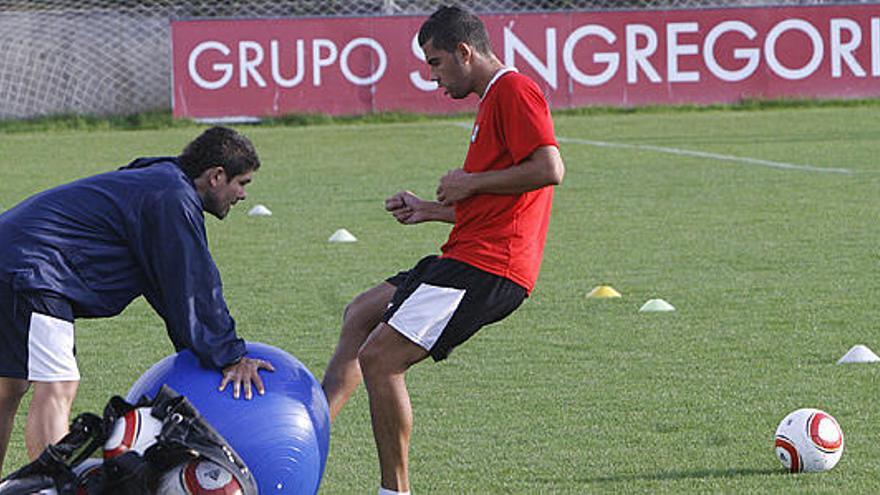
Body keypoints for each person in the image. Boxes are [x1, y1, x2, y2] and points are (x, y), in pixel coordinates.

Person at [321, 6, 565, 494]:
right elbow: (496, 205)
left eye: (435, 63)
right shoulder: (491, 101)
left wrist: (469, 181)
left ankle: (395, 490)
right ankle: (308, 432)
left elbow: (549, 168)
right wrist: (430, 209)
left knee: (381, 360)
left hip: (489, 267)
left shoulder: (514, 90)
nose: (432, 77)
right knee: (360, 313)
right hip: (465, 254)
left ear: (464, 51)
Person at [0, 126, 275, 475]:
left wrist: (202, 348)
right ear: (217, 176)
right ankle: (56, 485)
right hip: (31, 273)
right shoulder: (172, 197)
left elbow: (167, 286)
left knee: (9, 387)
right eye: (242, 183)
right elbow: (193, 283)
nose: (242, 195)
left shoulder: (160, 178)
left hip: (14, 260)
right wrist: (230, 356)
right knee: (58, 385)